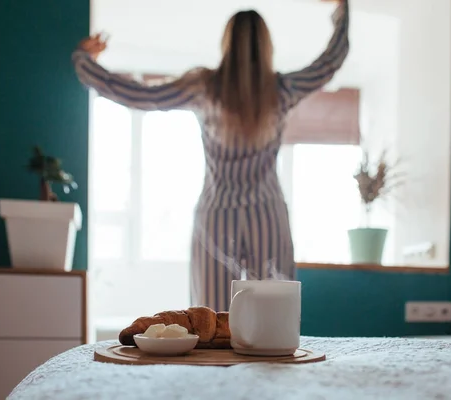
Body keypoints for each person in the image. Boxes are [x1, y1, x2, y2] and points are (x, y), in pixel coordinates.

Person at [72, 0, 349, 312]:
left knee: (212, 319)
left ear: (226, 44)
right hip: (266, 212)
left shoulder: (204, 87)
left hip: (218, 213)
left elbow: (140, 95)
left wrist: (84, 60)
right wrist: (341, 9)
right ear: (267, 45)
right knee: (276, 316)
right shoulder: (282, 89)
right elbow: (330, 62)